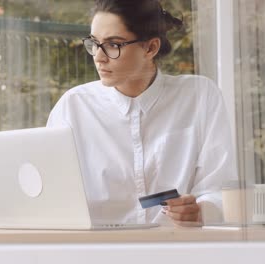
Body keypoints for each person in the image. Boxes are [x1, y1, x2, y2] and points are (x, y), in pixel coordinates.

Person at [47, 0, 236, 226]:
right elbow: (53, 195)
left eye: (113, 45)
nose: (98, 56)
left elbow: (220, 188)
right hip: (96, 252)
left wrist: (201, 210)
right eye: (94, 43)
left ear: (150, 48)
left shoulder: (199, 96)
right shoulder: (74, 106)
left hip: (176, 250)